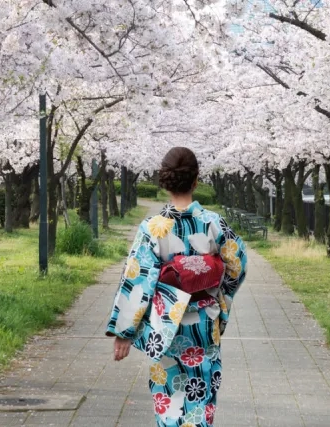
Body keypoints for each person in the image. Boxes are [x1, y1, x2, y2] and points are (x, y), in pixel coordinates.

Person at [105, 146, 248, 427]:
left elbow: (138, 278)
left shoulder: (152, 228)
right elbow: (237, 266)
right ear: (196, 181)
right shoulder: (214, 223)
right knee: (201, 390)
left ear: (166, 182)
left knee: (169, 395)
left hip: (165, 323)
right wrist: (219, 299)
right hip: (204, 323)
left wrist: (125, 332)